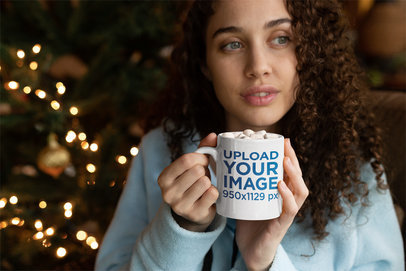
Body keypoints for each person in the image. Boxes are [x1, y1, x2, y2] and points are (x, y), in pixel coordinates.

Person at [95, 0, 404, 270]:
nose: (258, 67)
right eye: (232, 44)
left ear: (311, 52)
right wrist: (180, 230)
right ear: (205, 64)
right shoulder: (160, 151)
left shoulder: (352, 168)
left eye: (281, 39)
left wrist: (264, 262)